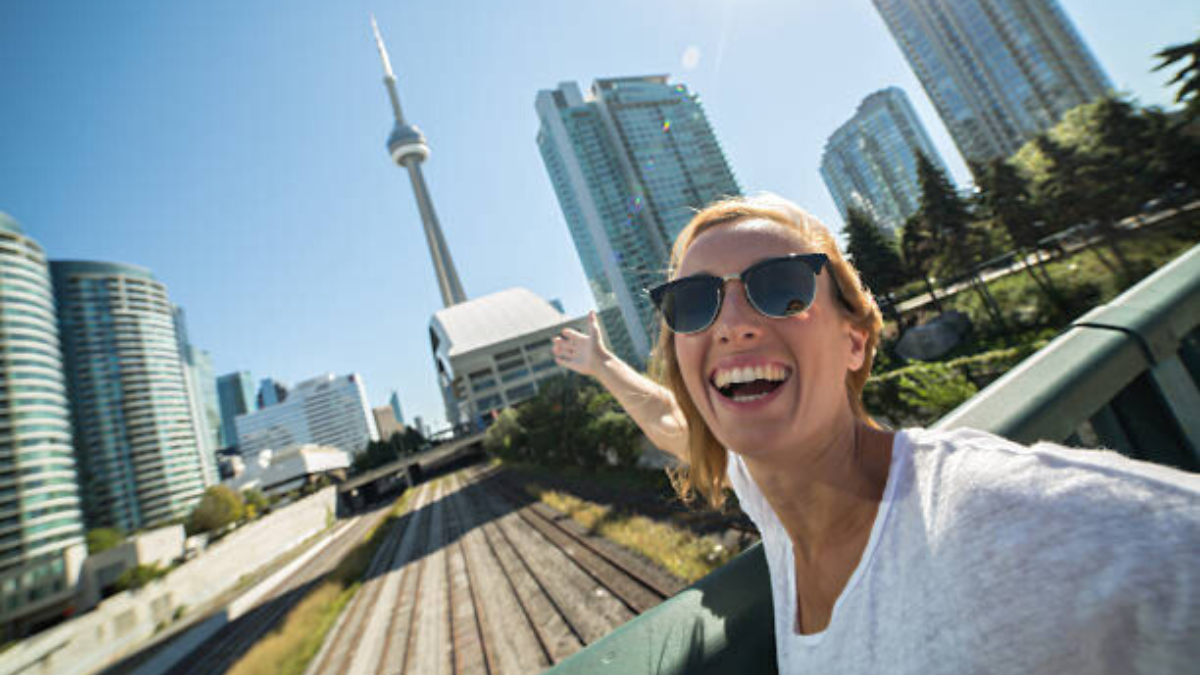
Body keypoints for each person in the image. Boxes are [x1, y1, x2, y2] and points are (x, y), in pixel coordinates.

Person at [551, 194, 1199, 674]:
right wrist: (602, 364)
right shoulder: (782, 499)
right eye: (694, 302)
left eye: (780, 288)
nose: (732, 323)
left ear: (854, 340)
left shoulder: (999, 519)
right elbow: (674, 425)